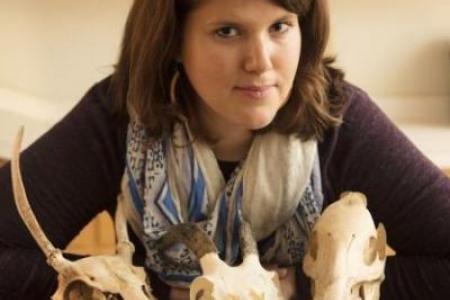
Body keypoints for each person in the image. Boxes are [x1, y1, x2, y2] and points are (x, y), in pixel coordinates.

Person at [0, 0, 449, 299]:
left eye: (280, 26)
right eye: (228, 31)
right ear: (174, 39)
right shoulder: (119, 115)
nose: (260, 61)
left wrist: (318, 288)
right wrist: (134, 288)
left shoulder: (339, 118)